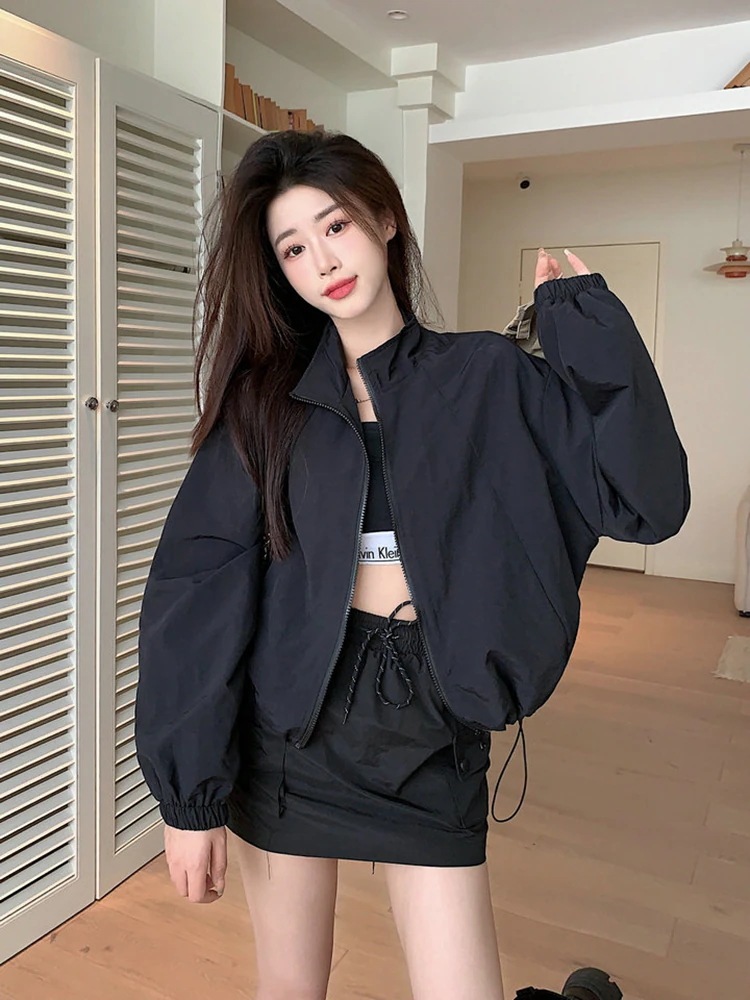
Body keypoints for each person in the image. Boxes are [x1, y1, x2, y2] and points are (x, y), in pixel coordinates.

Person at [134, 129, 690, 1000]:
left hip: (431, 728)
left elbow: (645, 503)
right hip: (290, 738)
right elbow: (197, 592)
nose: (323, 260)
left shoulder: (487, 375)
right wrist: (187, 797)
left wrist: (589, 334)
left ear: (385, 220)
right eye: (293, 247)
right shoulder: (265, 407)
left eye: (336, 226)